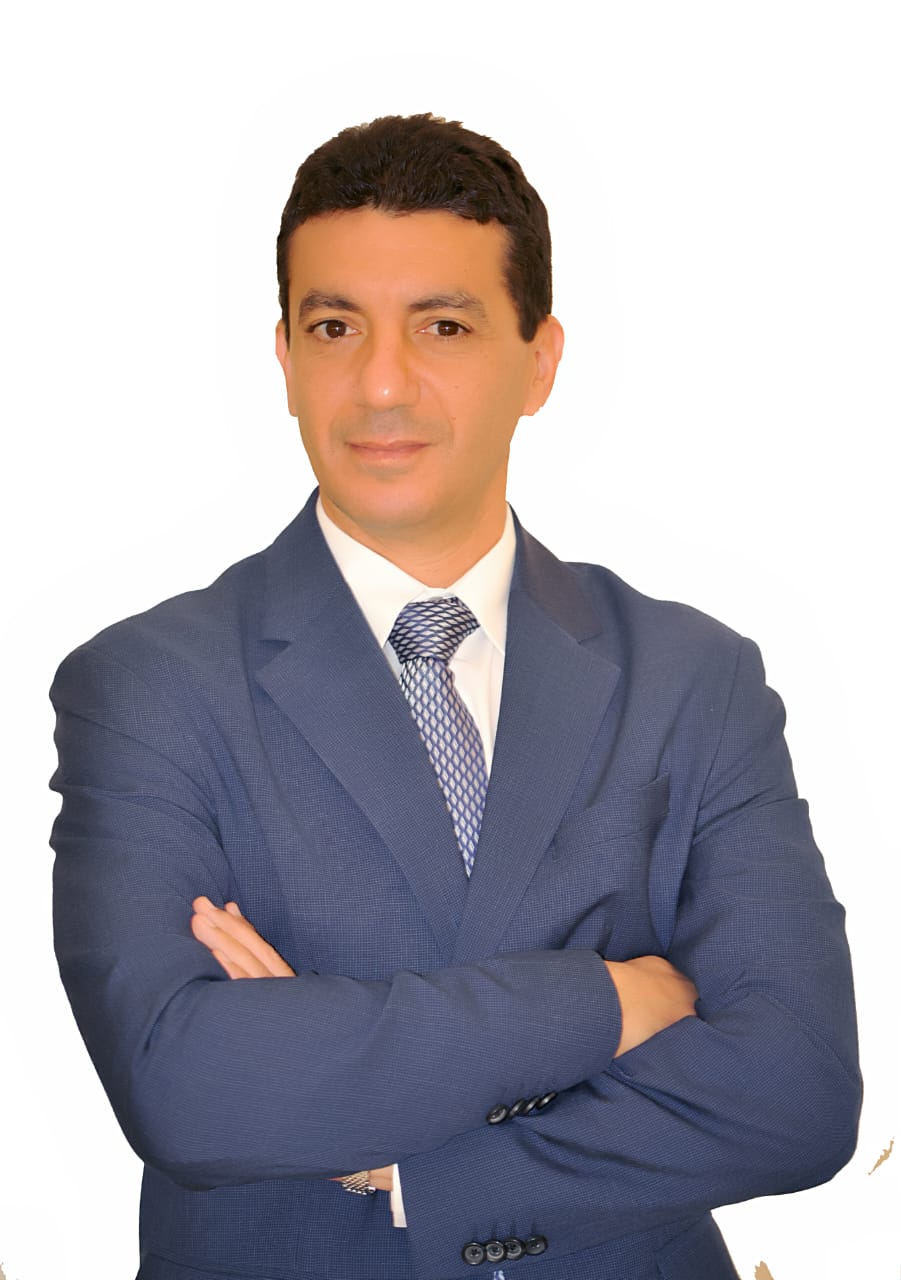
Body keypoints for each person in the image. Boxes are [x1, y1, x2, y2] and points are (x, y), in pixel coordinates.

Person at [50, 113, 861, 1280]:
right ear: (284, 357)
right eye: (335, 326)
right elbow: (188, 1086)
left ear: (539, 361)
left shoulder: (694, 677)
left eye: (443, 325)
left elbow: (795, 1091)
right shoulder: (147, 685)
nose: (381, 382)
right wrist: (602, 999)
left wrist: (404, 1160)